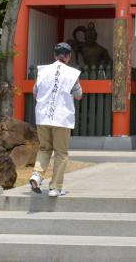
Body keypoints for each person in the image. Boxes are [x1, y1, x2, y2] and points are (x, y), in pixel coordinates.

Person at [29, 42, 82, 196]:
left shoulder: (43, 71)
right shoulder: (72, 73)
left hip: (42, 116)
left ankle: (37, 175)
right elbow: (78, 95)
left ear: (54, 55)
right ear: (69, 56)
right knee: (61, 153)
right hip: (62, 118)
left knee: (45, 148)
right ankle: (55, 187)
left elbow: (35, 93)